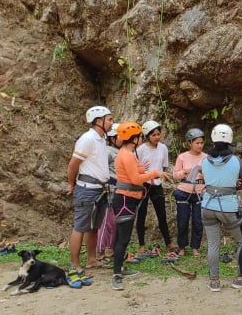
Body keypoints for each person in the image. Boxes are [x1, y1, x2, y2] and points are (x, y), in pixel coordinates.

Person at [111, 122, 172, 291]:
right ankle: (116, 274)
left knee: (121, 237)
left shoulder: (127, 153)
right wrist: (155, 173)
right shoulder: (128, 155)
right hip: (125, 199)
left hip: (126, 198)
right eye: (139, 137)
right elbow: (136, 179)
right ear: (135, 139)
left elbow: (135, 172)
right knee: (122, 239)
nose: (140, 139)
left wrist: (142, 169)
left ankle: (120, 268)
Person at [201, 124, 242, 292]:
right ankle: (240, 278)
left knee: (213, 244)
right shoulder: (235, 160)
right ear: (230, 141)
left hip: (207, 206)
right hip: (227, 208)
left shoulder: (205, 160)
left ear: (213, 141)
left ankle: (214, 281)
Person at [65, 106, 113, 288]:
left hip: (99, 189)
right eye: (109, 119)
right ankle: (75, 264)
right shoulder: (88, 139)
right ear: (98, 121)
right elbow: (73, 164)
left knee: (93, 227)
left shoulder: (100, 139)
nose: (111, 122)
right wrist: (71, 184)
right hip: (87, 189)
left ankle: (91, 259)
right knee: (80, 226)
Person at [135, 120, 175, 259]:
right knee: (142, 214)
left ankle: (168, 243)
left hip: (157, 184)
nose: (157, 137)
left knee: (161, 214)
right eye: (154, 135)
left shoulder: (163, 148)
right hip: (143, 184)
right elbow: (137, 168)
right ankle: (141, 244)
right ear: (147, 136)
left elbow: (163, 166)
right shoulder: (140, 149)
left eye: (159, 134)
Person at [173, 128, 207, 257]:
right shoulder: (182, 157)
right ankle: (182, 247)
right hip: (184, 191)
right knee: (182, 221)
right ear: (189, 143)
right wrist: (184, 172)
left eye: (201, 143)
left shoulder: (206, 158)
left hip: (199, 191)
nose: (199, 145)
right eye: (197, 143)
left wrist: (203, 173)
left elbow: (210, 176)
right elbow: (175, 176)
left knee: (198, 222)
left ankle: (195, 247)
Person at [97, 123, 121, 262]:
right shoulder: (107, 151)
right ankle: (100, 250)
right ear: (112, 138)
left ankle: (110, 248)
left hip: (119, 189)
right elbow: (101, 169)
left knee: (114, 222)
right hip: (110, 190)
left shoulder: (120, 151)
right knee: (106, 222)